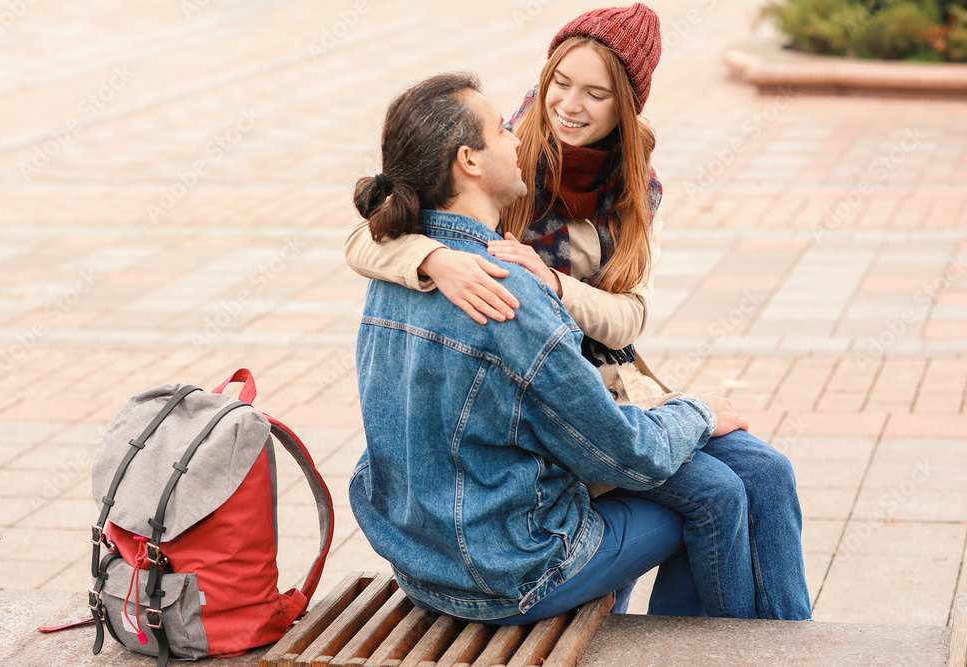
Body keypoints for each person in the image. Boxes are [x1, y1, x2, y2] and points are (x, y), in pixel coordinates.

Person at [345, 4, 811, 620]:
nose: (565, 105)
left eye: (595, 93)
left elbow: (630, 316)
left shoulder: (637, 189)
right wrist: (435, 259)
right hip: (549, 413)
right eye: (558, 83)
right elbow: (375, 234)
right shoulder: (500, 178)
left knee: (768, 472)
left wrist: (557, 287)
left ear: (625, 106)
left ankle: (792, 642)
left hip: (594, 388)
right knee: (715, 495)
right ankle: (697, 649)